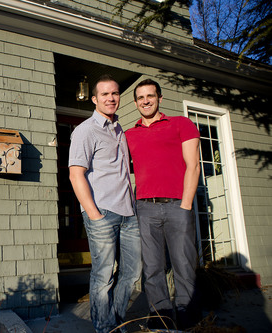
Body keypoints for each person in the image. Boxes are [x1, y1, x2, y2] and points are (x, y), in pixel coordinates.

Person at [125, 79, 201, 330]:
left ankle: (188, 317)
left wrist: (186, 205)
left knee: (183, 263)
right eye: (140, 97)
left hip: (177, 205)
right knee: (153, 267)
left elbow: (193, 165)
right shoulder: (129, 135)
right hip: (145, 208)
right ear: (135, 102)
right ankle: (161, 318)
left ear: (159, 98)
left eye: (150, 96)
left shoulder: (181, 124)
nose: (145, 101)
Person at [68, 74, 141, 333]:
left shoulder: (120, 130)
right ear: (94, 99)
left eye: (115, 93)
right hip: (103, 213)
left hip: (129, 214)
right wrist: (94, 215)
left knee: (131, 273)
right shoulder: (85, 130)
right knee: (103, 276)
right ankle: (105, 328)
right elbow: (75, 174)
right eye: (105, 94)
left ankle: (119, 321)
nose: (111, 98)